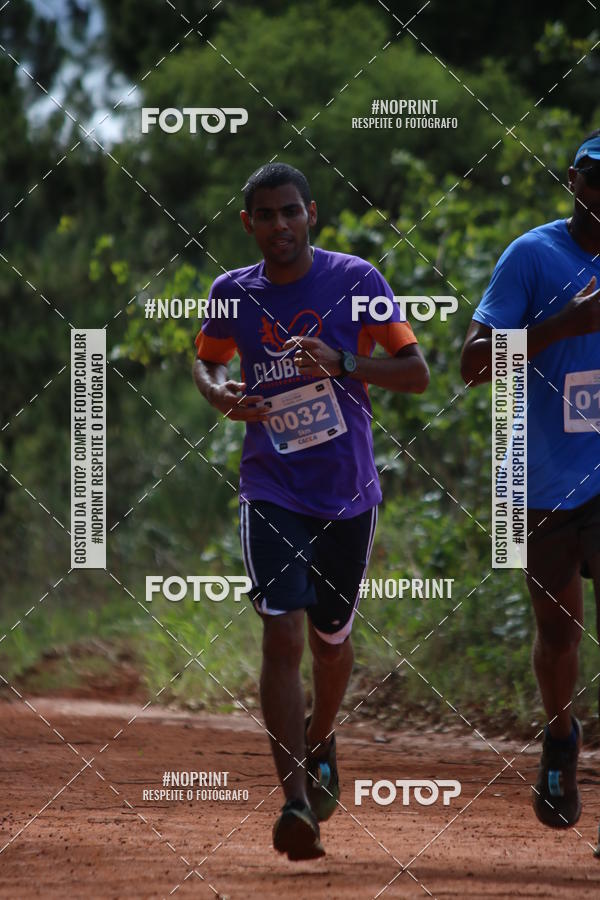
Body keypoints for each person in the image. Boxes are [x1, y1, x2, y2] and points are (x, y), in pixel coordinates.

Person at [193, 162, 429, 859]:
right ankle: (295, 801)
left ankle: (323, 736)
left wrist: (343, 364)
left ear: (311, 214)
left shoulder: (358, 282)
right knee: (281, 632)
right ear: (248, 225)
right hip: (270, 486)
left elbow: (415, 373)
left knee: (330, 641)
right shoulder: (231, 293)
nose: (279, 226)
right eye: (264, 216)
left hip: (347, 492)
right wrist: (218, 394)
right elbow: (205, 360)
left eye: (289, 212)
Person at [461, 130, 600, 829]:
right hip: (542, 475)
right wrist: (566, 323)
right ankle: (559, 734)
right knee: (560, 631)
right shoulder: (532, 256)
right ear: (575, 180)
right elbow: (474, 363)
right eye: (598, 178)